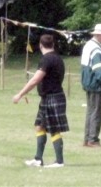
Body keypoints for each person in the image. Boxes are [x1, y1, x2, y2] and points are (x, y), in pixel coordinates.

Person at [12, 34, 68, 168]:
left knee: (54, 129)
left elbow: (36, 79)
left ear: (40, 45)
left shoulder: (47, 60)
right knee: (40, 126)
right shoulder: (58, 58)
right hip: (49, 97)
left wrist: (20, 94)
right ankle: (38, 159)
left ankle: (59, 161)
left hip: (53, 97)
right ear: (53, 45)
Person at [81, 23, 101, 147]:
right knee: (96, 112)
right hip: (95, 83)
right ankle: (93, 139)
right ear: (98, 35)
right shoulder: (96, 50)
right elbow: (99, 70)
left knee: (90, 111)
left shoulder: (88, 45)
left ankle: (87, 139)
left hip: (88, 81)